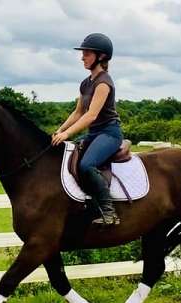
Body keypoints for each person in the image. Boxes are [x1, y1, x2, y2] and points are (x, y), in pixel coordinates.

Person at [51, 33, 122, 226]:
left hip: (109, 133)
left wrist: (68, 134)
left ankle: (109, 213)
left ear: (101, 56)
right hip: (93, 134)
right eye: (83, 53)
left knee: (86, 165)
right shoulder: (86, 83)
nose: (82, 57)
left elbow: (90, 115)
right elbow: (78, 112)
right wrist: (60, 130)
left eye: (87, 53)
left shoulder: (103, 83)